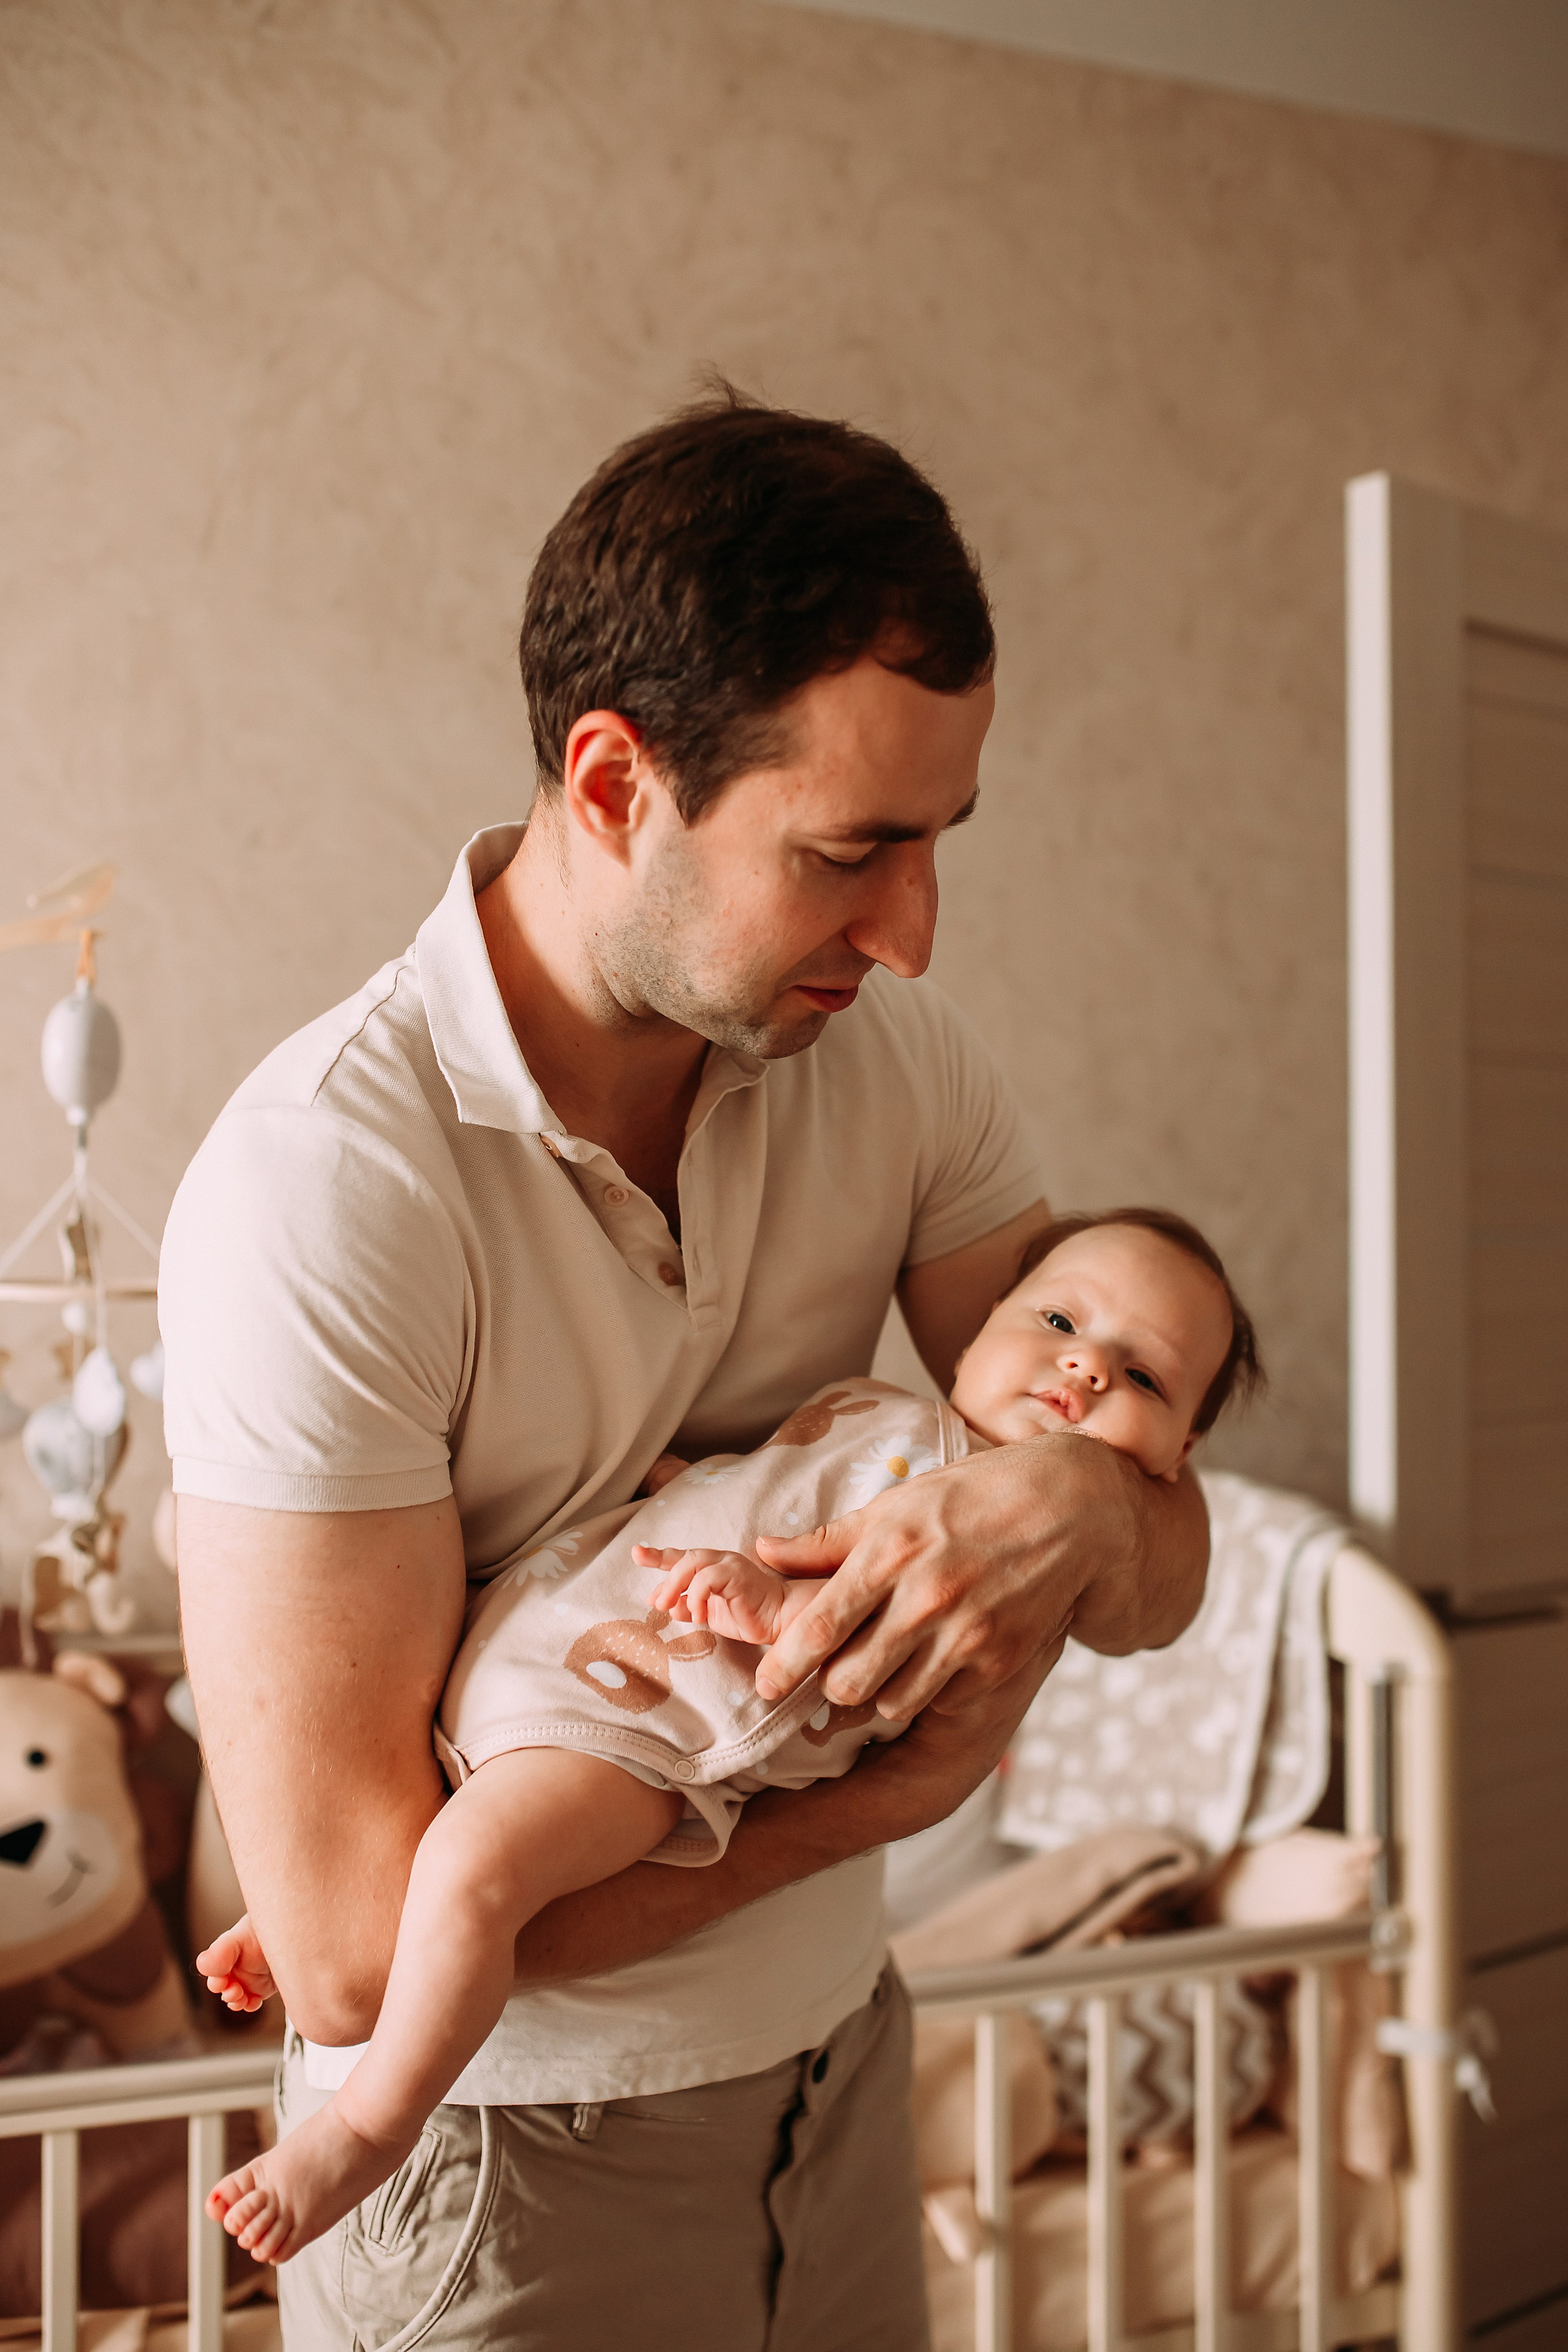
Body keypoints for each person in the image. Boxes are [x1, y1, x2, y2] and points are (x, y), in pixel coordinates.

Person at [162, 391, 1212, 2351]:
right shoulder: (326, 1184)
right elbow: (355, 1957)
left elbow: (1160, 1572)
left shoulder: (900, 1067)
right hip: (496, 2174)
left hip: (841, 2076)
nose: (911, 935)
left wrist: (1068, 1493)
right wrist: (894, 1788)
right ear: (615, 778)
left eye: (941, 842)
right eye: (851, 852)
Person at [197, 1207, 1261, 2266]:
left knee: (477, 1869)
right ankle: (302, 1926)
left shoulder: (999, 1584)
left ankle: (367, 2129)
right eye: (1062, 1318)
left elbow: (855, 1679)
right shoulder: (883, 1411)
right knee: (423, 1794)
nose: (1086, 1367)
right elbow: (777, 1487)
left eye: (1146, 1380)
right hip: (571, 1638)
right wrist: (687, 1494)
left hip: (650, 1729)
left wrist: (765, 1607)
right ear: (981, 1322)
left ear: (1180, 1455)